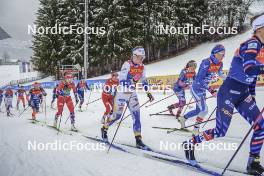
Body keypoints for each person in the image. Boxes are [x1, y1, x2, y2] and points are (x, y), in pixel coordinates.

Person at [183, 13, 264, 175]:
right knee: (221, 131)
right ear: (260, 29)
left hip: (243, 93)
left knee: (261, 126)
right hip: (228, 92)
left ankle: (253, 162)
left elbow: (252, 75)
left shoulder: (261, 48)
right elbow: (249, 68)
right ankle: (190, 143)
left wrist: (252, 94)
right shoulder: (252, 44)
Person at [101, 46, 154, 149]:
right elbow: (122, 80)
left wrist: (148, 92)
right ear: (134, 56)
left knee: (136, 115)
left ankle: (138, 139)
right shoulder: (127, 64)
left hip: (132, 93)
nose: (140, 60)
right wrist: (133, 80)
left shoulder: (143, 67)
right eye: (139, 57)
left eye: (142, 58)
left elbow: (144, 80)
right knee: (117, 116)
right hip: (121, 92)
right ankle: (104, 128)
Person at [178, 44, 226, 135]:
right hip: (196, 89)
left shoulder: (220, 64)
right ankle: (195, 130)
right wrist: (211, 90)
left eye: (223, 55)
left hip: (203, 89)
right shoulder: (206, 62)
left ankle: (182, 119)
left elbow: (221, 74)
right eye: (220, 54)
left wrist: (229, 80)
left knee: (198, 111)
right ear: (214, 54)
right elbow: (200, 80)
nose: (222, 57)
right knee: (204, 110)